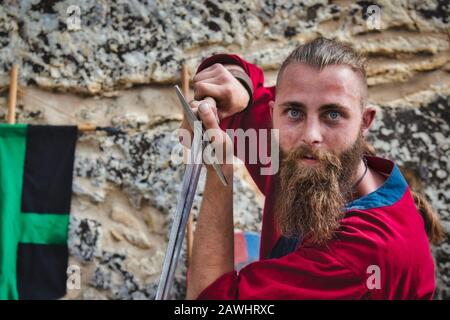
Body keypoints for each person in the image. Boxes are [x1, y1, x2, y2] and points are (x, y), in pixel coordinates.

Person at [179, 37, 443, 300]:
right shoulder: (295, 152)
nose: (311, 135)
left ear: (365, 122)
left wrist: (219, 169)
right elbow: (228, 71)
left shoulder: (359, 254)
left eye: (333, 114)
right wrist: (240, 87)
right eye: (294, 112)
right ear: (274, 115)